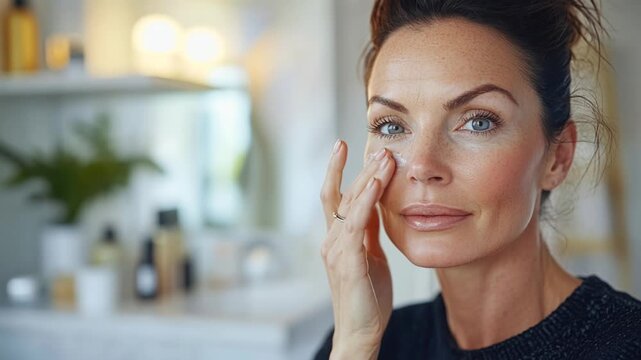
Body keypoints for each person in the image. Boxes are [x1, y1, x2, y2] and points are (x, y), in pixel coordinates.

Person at [314, 0, 641, 359]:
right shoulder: (364, 341)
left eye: (478, 122)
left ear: (557, 156)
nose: (422, 166)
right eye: (391, 125)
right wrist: (355, 344)